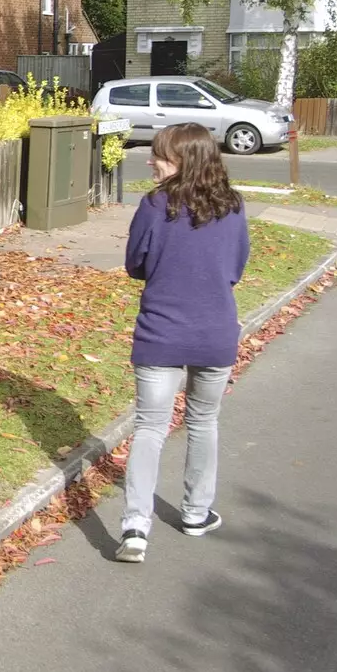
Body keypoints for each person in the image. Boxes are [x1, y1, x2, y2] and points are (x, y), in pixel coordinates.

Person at [116, 122, 250, 564]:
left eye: (159, 155)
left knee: (151, 427)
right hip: (215, 332)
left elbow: (135, 263)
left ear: (183, 160)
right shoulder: (232, 206)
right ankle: (195, 513)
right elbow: (234, 268)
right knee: (203, 423)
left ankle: (135, 527)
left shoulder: (155, 205)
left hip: (161, 332)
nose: (151, 161)